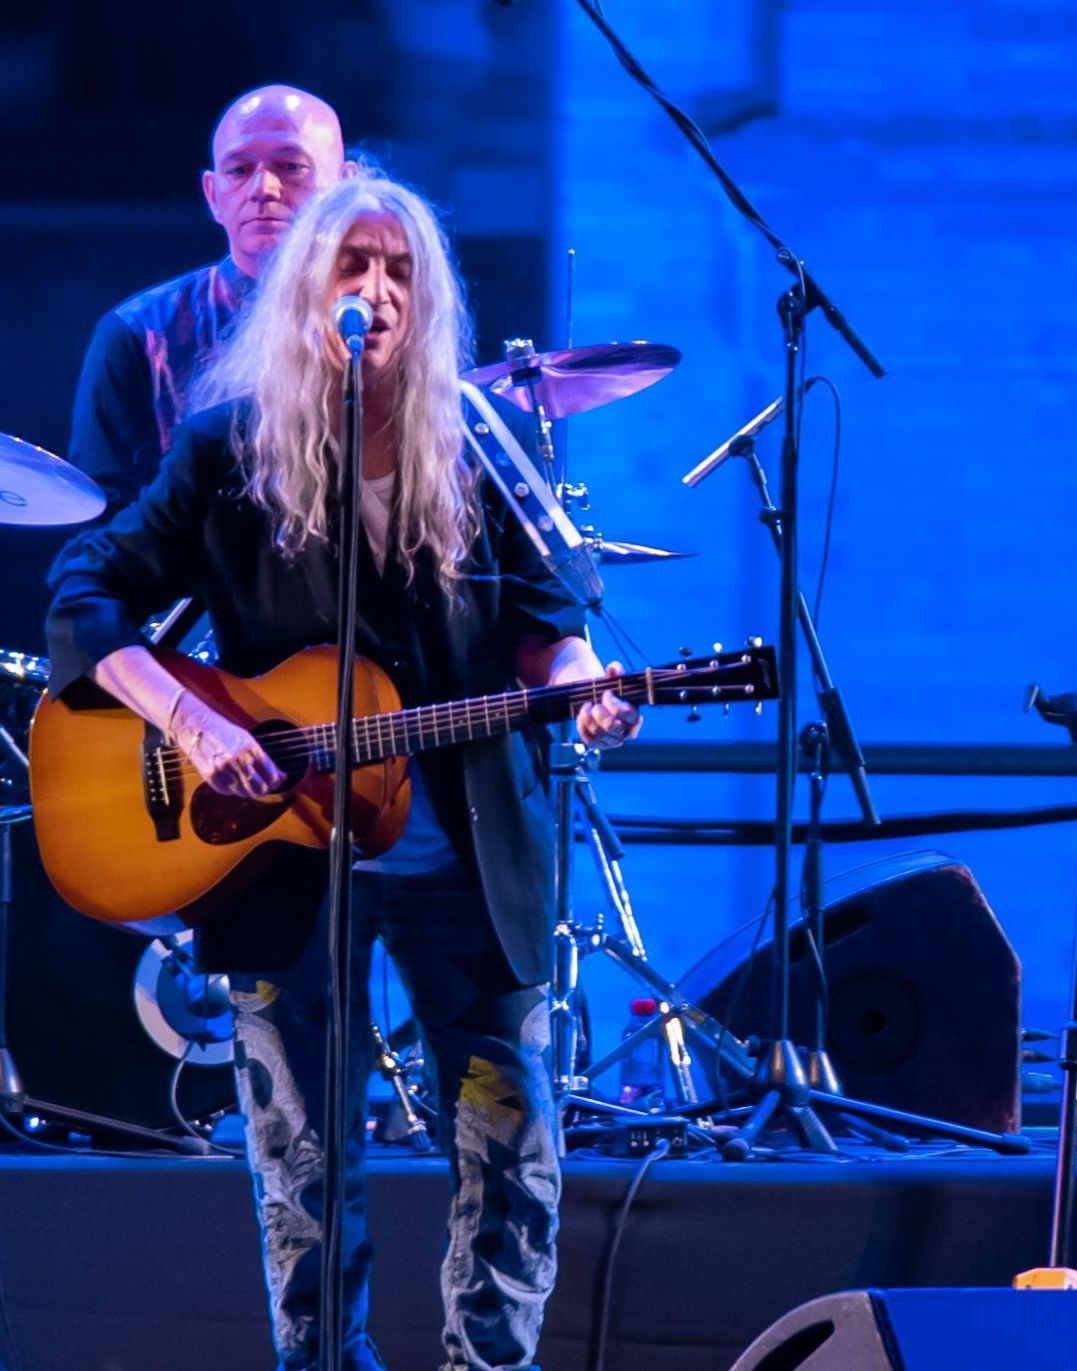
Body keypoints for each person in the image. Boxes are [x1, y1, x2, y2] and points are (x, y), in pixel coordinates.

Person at [47, 174, 640, 1370]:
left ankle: (490, 1363)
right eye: (353, 265)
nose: (376, 289)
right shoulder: (227, 448)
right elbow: (86, 589)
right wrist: (191, 720)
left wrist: (584, 682)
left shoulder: (480, 442)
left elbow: (550, 622)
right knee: (303, 1153)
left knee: (509, 1133)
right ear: (306, 290)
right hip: (275, 849)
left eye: (400, 269)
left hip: (464, 839)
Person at [69, 84, 354, 514]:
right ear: (212, 194)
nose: (263, 188)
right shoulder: (139, 335)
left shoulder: (385, 324)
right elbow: (101, 520)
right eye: (238, 170)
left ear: (345, 186)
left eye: (291, 166)